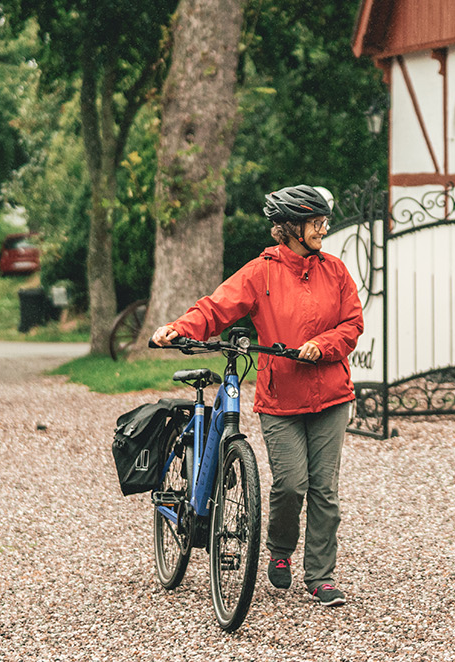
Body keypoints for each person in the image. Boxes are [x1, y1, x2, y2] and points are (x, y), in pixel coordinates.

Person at [151, 184, 363, 607]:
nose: (323, 228)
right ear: (290, 229)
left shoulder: (335, 271)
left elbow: (352, 324)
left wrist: (323, 345)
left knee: (325, 490)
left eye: (323, 221)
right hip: (281, 399)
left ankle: (320, 575)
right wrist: (180, 328)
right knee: (290, 484)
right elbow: (215, 308)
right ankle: (280, 551)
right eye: (315, 222)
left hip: (332, 396)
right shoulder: (259, 273)